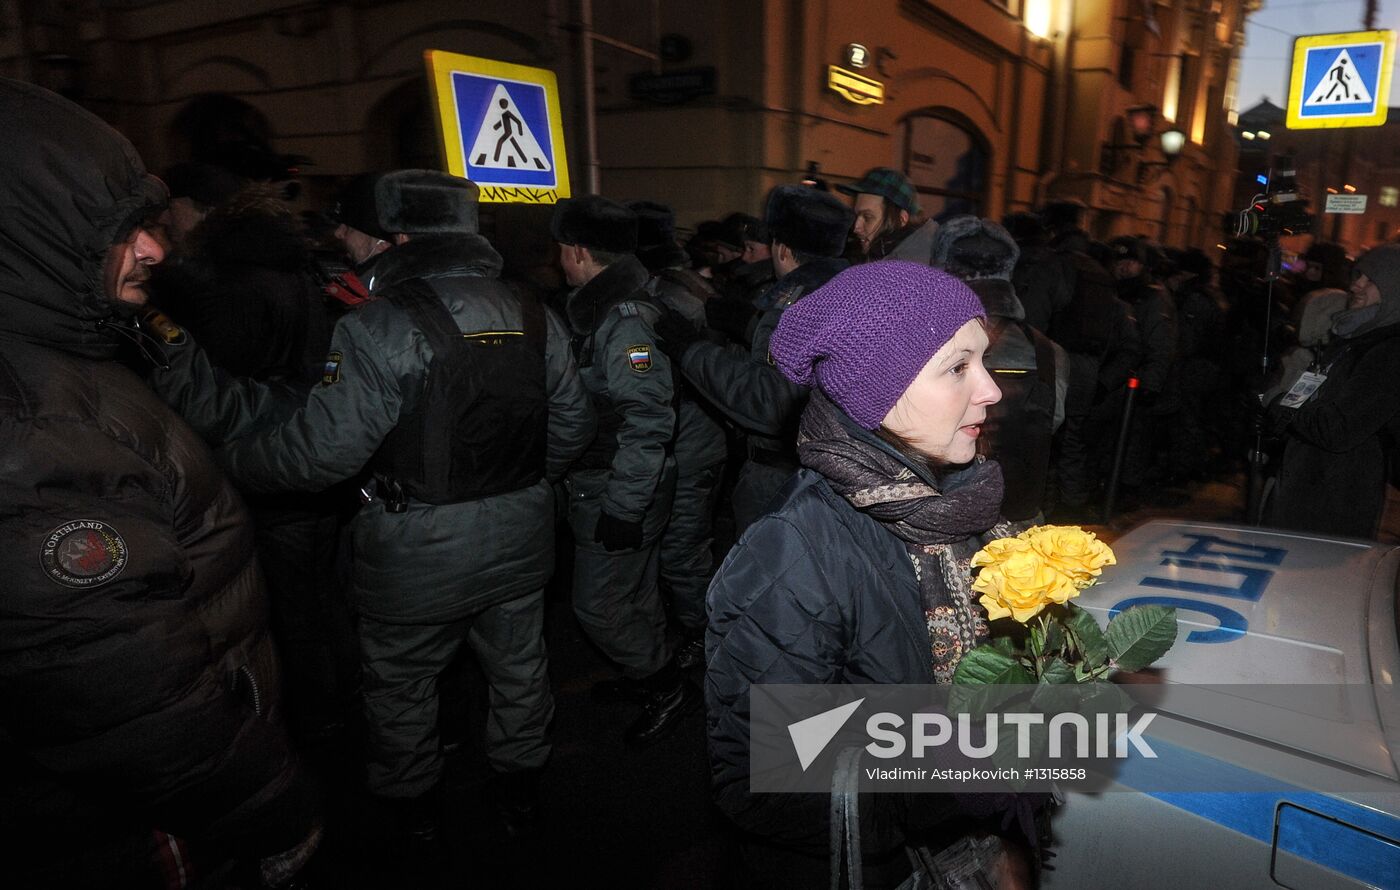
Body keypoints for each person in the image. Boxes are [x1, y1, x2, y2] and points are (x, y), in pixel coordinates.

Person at [151, 169, 594, 843]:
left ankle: (411, 806)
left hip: (418, 551)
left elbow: (317, 458)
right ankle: (519, 789)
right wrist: (525, 483)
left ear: (400, 238)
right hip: (522, 534)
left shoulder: (380, 327)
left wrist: (231, 465)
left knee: (401, 683)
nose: (346, 244)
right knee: (520, 667)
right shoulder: (534, 311)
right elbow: (571, 424)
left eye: (356, 233)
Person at [0, 76, 320, 888]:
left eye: (151, 223)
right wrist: (274, 803)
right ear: (29, 234)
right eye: (120, 230)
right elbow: (125, 694)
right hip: (138, 827)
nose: (154, 249)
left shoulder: (73, 356)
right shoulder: (37, 423)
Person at [706, 261, 1034, 887]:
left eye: (983, 362)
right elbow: (760, 778)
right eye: (958, 366)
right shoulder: (791, 555)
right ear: (877, 392)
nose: (991, 390)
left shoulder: (965, 504)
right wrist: (960, 782)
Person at [552, 195, 701, 745]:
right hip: (622, 480)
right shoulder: (607, 312)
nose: (559, 262)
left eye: (563, 252)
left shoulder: (625, 321)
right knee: (635, 594)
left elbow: (646, 420)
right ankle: (656, 671)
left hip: (621, 483)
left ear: (581, 252)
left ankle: (665, 684)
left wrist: (623, 505)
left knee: (598, 608)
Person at [656, 184, 853, 531]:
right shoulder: (848, 291)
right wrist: (751, 326)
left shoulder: (796, 306)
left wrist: (690, 350)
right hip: (831, 471)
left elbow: (769, 401)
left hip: (782, 479)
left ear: (782, 249)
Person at [629, 200, 729, 669]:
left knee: (682, 551)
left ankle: (707, 645)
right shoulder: (692, 284)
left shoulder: (667, 295)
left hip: (690, 437)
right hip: (700, 435)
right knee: (684, 546)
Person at [930, 216, 1068, 522]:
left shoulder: (928, 346)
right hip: (1020, 528)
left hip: (940, 527)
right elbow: (1052, 425)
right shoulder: (1050, 352)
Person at [1268, 244, 1400, 538]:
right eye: (1357, 275)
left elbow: (1339, 429)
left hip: (1334, 504)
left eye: (1370, 279)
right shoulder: (1352, 335)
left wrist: (1280, 405)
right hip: (1308, 487)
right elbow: (1315, 393)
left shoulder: (1389, 352)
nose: (1356, 285)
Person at [836, 166, 936, 261]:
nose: (856, 227)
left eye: (867, 217)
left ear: (902, 219)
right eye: (856, 216)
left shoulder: (906, 270)